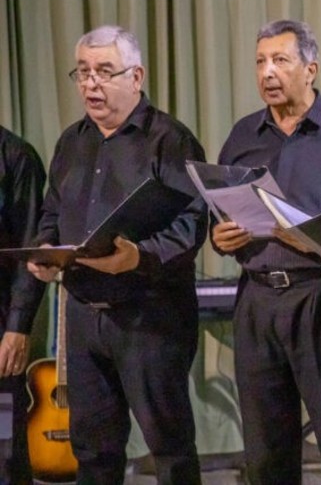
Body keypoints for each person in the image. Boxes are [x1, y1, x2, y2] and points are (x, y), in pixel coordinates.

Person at [25, 26, 207, 484]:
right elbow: (53, 210)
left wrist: (139, 257)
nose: (90, 84)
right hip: (84, 316)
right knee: (93, 447)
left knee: (169, 447)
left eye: (104, 72)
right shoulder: (72, 141)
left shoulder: (170, 139)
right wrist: (47, 250)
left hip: (149, 315)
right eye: (83, 73)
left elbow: (191, 224)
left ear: (136, 76)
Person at [211, 19, 321, 485]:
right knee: (265, 446)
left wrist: (300, 235)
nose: (267, 72)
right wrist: (219, 237)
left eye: (280, 61)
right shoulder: (243, 135)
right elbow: (220, 211)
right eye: (260, 62)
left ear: (311, 69)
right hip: (258, 300)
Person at [0, 126, 46, 483]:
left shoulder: (16, 157)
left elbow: (31, 249)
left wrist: (18, 326)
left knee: (4, 446)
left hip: (2, 327)